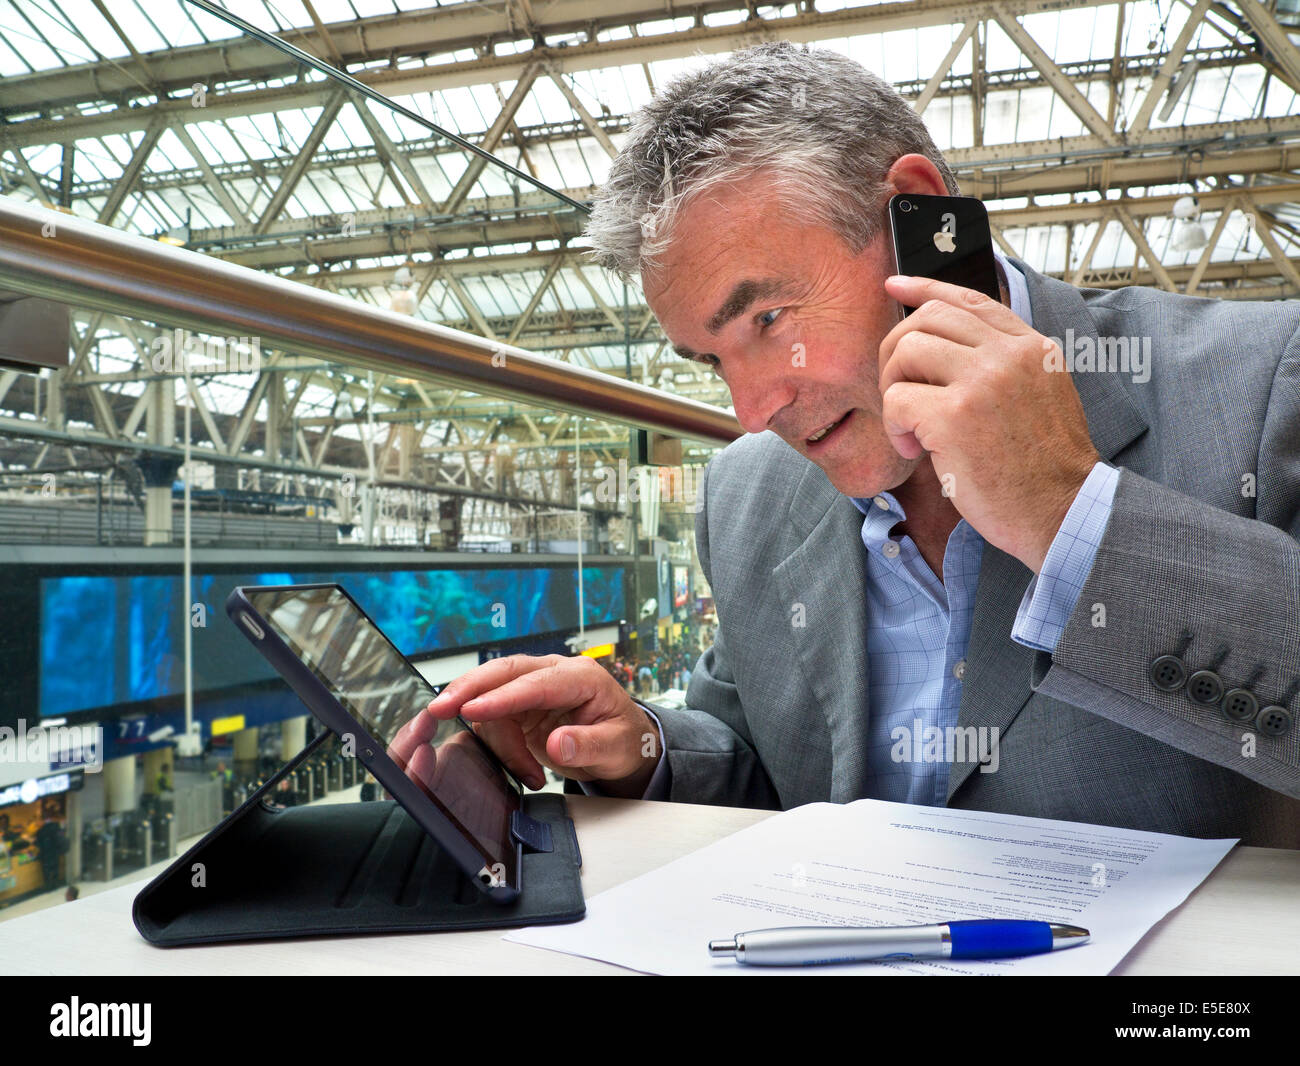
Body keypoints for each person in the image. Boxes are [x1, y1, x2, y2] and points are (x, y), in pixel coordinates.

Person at [425, 42, 1300, 847]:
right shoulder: (747, 495)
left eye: (769, 319)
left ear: (916, 217)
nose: (753, 409)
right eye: (711, 359)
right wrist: (643, 745)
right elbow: (763, 766)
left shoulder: (1258, 383)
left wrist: (1070, 512)